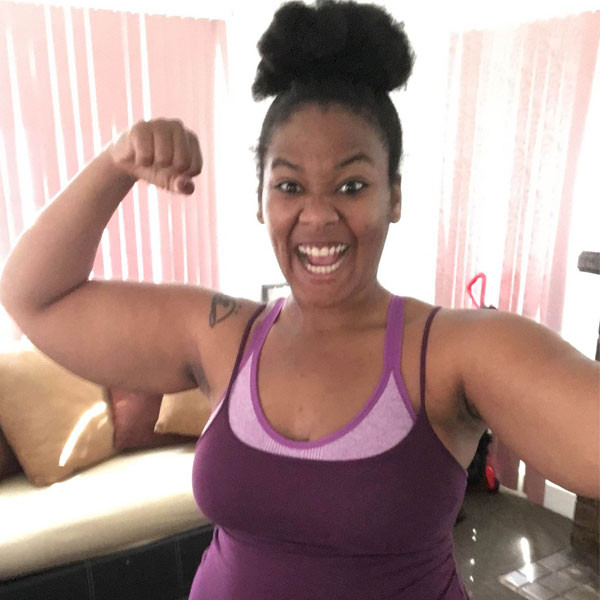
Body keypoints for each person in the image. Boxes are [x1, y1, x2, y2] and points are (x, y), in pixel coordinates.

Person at [0, 1, 598, 598]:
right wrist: (116, 165)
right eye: (289, 186)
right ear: (261, 202)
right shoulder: (223, 335)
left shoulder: (449, 352)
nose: (317, 216)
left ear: (393, 196)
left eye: (351, 185)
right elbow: (35, 298)